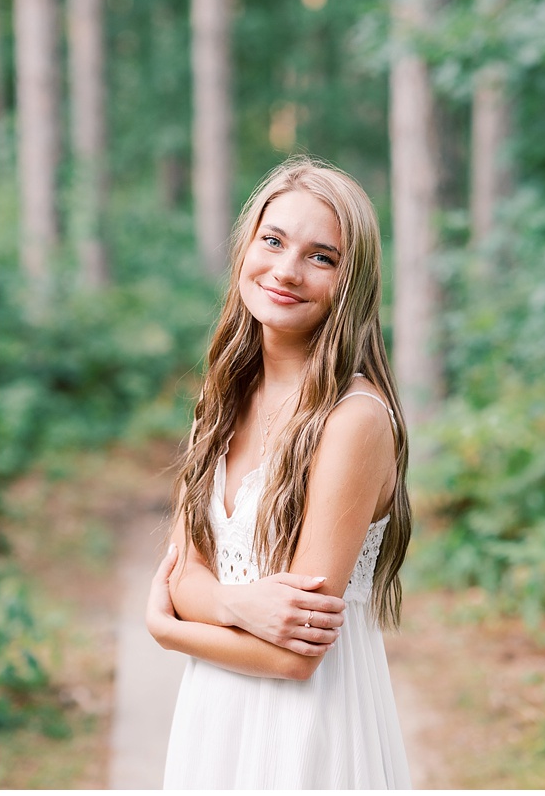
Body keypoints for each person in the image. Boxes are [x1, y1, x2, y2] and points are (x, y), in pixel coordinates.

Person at [145, 157, 412, 787]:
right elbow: (182, 574)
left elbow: (294, 658)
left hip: (306, 734)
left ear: (353, 283)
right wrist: (239, 604)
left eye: (322, 257)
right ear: (246, 248)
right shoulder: (222, 401)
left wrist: (168, 629)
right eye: (274, 241)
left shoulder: (353, 420)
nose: (287, 271)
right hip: (212, 721)